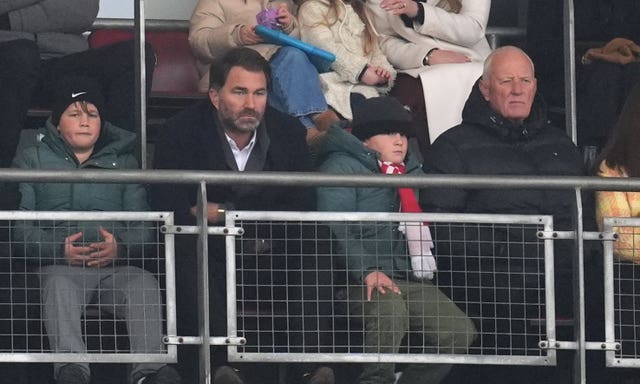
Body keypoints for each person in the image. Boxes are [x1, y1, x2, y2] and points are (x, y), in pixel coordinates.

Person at [151, 47, 333, 384]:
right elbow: (166, 202)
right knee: (188, 237)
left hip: (273, 251)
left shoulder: (288, 132)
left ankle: (310, 367)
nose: (251, 103)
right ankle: (223, 367)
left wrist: (224, 213)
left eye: (259, 92)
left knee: (315, 239)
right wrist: (210, 218)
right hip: (213, 256)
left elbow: (304, 204)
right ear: (214, 95)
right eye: (240, 92)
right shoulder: (180, 130)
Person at [421, 46, 586, 383]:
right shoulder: (452, 146)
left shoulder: (562, 144)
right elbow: (443, 227)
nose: (517, 89)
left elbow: (582, 215)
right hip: (491, 292)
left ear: (536, 86)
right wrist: (516, 249)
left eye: (525, 80)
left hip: (563, 284)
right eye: (506, 80)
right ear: (484, 88)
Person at [11, 76, 181, 384]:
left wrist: (120, 248)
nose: (85, 121)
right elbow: (20, 232)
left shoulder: (125, 161)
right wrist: (59, 249)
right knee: (59, 284)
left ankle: (150, 374)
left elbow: (144, 229)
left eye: (92, 114)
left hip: (113, 270)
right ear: (57, 122)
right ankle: (72, 372)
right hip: (59, 267)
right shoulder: (31, 158)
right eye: (74, 114)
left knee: (143, 283)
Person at [316, 96, 477, 384]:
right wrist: (366, 271)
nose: (399, 141)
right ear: (365, 139)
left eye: (402, 133)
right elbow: (336, 227)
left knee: (458, 331)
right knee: (389, 309)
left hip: (406, 278)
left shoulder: (412, 171)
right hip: (352, 281)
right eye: (389, 133)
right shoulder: (340, 167)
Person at [0, 0, 155, 170]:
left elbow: (83, 9)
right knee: (21, 54)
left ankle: (110, 170)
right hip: (9, 62)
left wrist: (11, 20)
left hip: (56, 62)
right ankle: (3, 179)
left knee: (135, 55)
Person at [188, 0, 339, 141]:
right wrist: (236, 35)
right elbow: (200, 42)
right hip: (232, 73)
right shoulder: (213, 2)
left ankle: (313, 134)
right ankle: (314, 124)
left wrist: (289, 25)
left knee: (292, 61)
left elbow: (303, 38)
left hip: (277, 68)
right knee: (289, 60)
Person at [364, 0, 491, 153]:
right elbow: (382, 40)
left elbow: (474, 28)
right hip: (417, 66)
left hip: (473, 60)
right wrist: (427, 55)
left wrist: (419, 12)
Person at [527, 0, 640, 148]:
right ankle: (595, 153)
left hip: (624, 70)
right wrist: (586, 57)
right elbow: (539, 50)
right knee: (605, 75)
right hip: (564, 71)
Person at [297, 0, 396, 121]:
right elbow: (323, 45)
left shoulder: (360, 10)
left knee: (394, 113)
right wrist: (362, 71)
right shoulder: (312, 8)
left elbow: (375, 52)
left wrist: (382, 74)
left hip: (367, 89)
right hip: (333, 86)